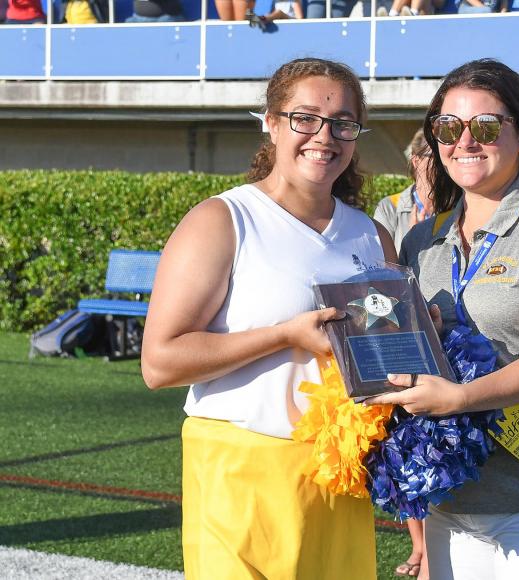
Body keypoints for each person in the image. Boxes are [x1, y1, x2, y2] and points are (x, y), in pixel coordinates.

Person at [141, 57, 396, 580]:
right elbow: (160, 363)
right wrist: (285, 336)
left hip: (338, 475)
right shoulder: (223, 219)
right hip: (239, 474)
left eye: (343, 123)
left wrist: (418, 336)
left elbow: (380, 356)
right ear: (271, 123)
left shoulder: (373, 236)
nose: (324, 136)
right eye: (304, 118)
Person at [367, 58, 519, 580]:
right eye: (447, 128)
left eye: (485, 126)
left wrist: (457, 398)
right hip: (451, 501)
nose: (465, 141)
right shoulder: (420, 238)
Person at [371, 127, 432, 580]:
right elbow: (382, 272)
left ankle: (434, 549)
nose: (430, 160)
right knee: (407, 447)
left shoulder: (459, 206)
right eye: (424, 153)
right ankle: (419, 546)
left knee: (439, 445)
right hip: (400, 329)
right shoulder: (391, 209)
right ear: (413, 159)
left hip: (442, 328)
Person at [374, 128, 434, 252]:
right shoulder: (389, 207)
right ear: (416, 161)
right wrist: (413, 242)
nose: (443, 162)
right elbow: (381, 263)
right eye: (435, 155)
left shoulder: (459, 207)